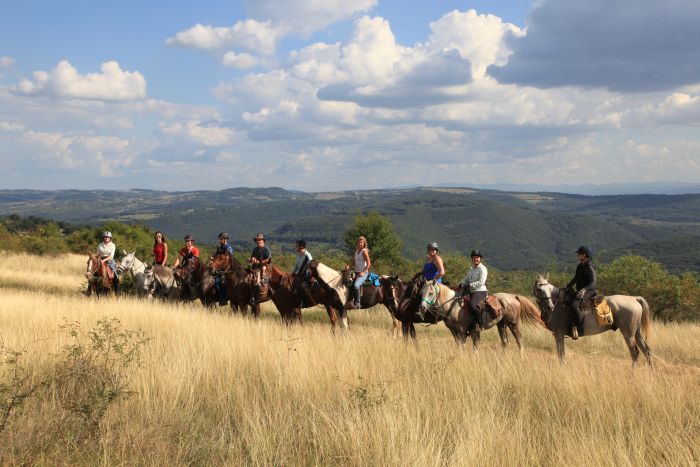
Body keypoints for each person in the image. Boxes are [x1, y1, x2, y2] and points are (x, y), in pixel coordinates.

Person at [566, 245, 597, 339]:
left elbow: (593, 281)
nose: (577, 255)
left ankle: (581, 329)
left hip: (589, 290)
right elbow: (576, 278)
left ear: (584, 255)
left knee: (574, 305)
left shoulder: (589, 267)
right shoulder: (580, 266)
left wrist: (584, 290)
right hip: (581, 290)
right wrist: (568, 285)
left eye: (579, 254)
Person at [459, 250, 488, 330]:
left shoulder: (482, 268)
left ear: (480, 259)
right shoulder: (471, 269)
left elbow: (481, 282)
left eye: (477, 258)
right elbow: (466, 279)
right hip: (471, 290)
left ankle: (481, 323)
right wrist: (462, 283)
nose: (476, 259)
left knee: (472, 305)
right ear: (472, 258)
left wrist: (470, 285)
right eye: (474, 257)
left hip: (480, 291)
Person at [346, 236, 371, 309]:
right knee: (347, 283)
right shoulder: (356, 252)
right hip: (356, 272)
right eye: (359, 242)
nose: (360, 243)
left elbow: (369, 264)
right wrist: (348, 266)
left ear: (364, 243)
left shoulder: (364, 251)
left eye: (361, 242)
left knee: (356, 285)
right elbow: (353, 262)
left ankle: (358, 303)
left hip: (363, 273)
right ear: (357, 243)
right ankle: (350, 301)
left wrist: (363, 272)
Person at [249, 233, 272, 307]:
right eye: (257, 240)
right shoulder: (255, 249)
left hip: (264, 267)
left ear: (263, 241)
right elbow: (252, 258)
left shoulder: (266, 249)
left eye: (260, 240)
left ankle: (265, 291)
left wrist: (260, 261)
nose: (258, 241)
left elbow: (269, 259)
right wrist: (251, 259)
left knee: (257, 280)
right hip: (255, 267)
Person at [291, 239, 313, 308]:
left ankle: (304, 302)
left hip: (306, 275)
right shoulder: (299, 255)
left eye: (297, 246)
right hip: (299, 275)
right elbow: (296, 266)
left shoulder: (308, 256)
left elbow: (306, 269)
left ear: (301, 247)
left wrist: (296, 273)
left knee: (301, 286)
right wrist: (291, 273)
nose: (296, 247)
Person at [214, 232, 234, 306]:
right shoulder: (220, 247)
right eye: (219, 239)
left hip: (227, 270)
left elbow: (230, 259)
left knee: (221, 283)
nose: (219, 240)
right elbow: (216, 256)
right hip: (220, 269)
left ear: (225, 240)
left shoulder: (228, 248)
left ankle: (224, 299)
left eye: (220, 239)